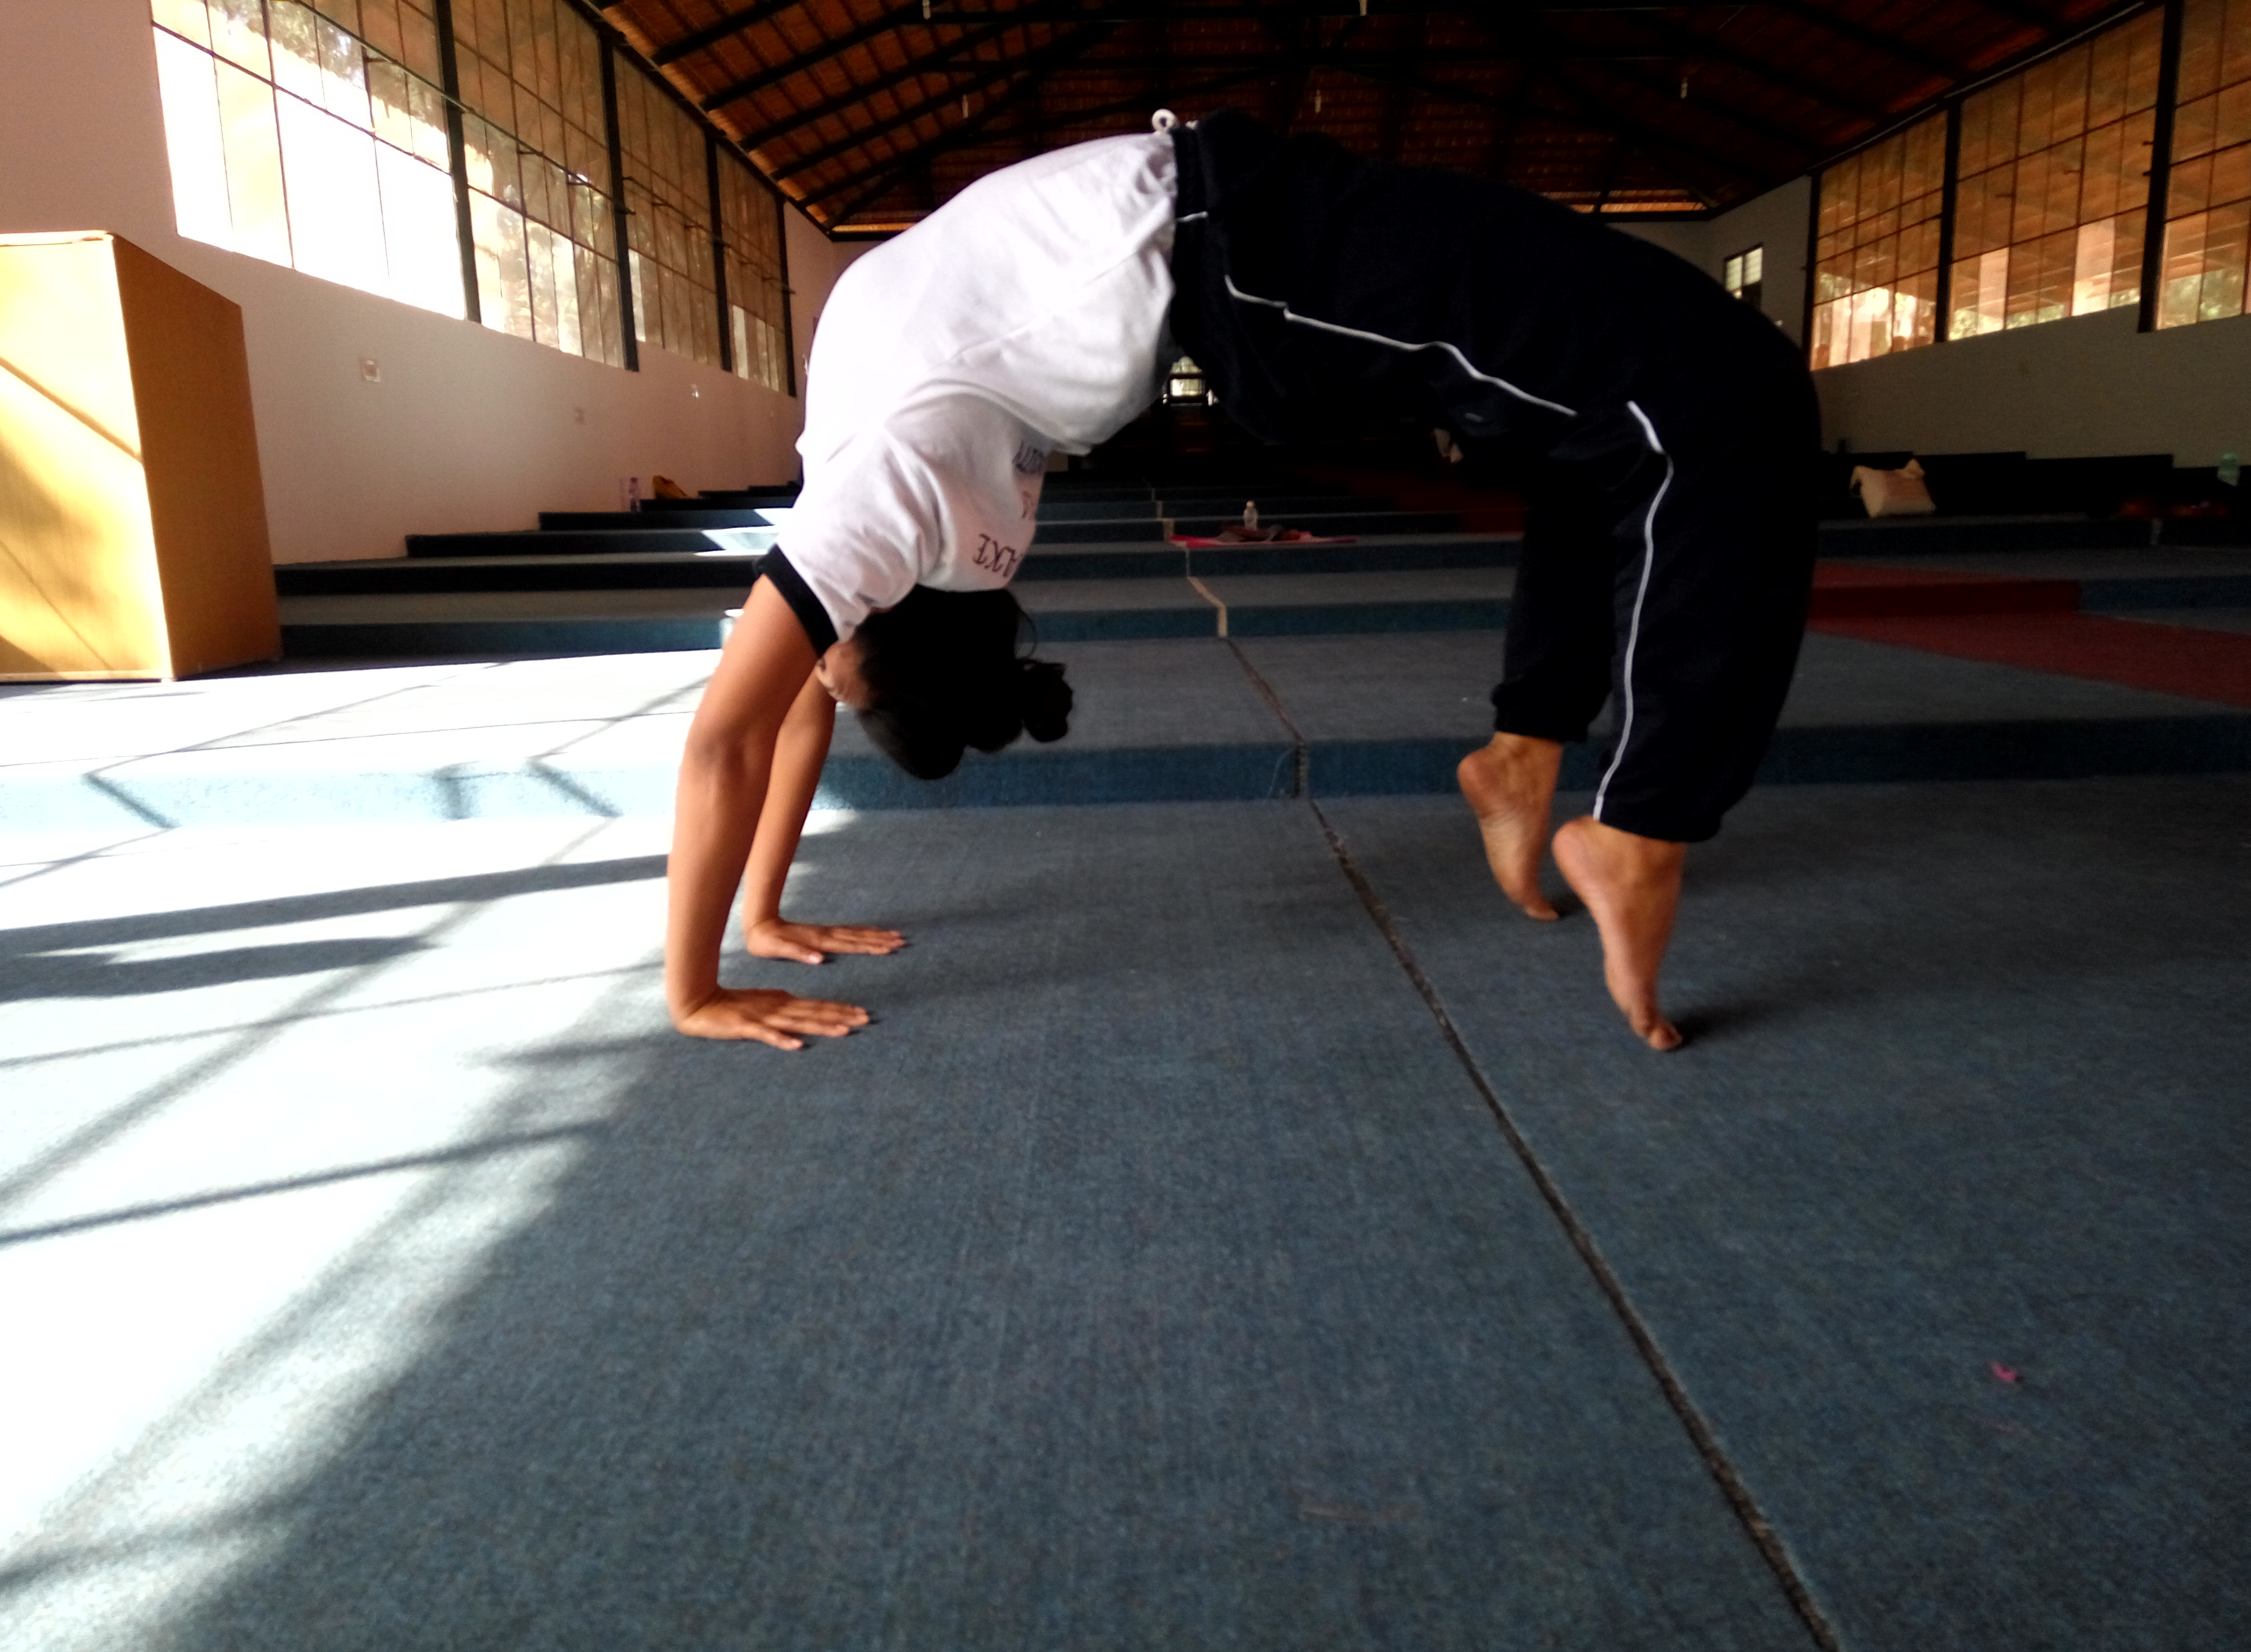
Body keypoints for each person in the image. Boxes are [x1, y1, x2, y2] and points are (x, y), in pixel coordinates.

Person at [666, 109, 1818, 1051]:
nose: (818, 679)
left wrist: (746, 932)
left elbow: (758, 730)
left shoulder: (875, 504)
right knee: (1729, 393)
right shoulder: (889, 499)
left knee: (1592, 429)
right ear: (888, 629)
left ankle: (1527, 748)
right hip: (1258, 250)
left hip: (1248, 243)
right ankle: (1643, 825)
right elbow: (754, 734)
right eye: (841, 674)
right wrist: (709, 977)